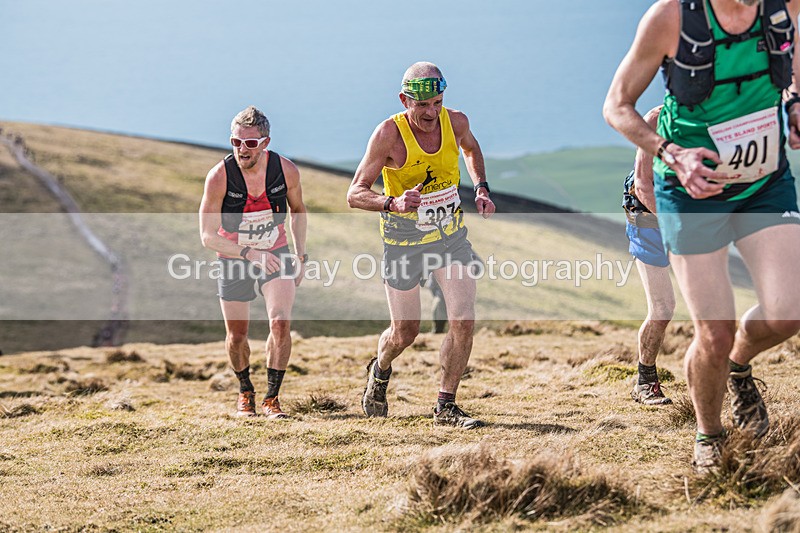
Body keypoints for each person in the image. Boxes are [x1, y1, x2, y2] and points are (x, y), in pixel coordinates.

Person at [604, 0, 800, 473]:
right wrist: (670, 153)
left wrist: (794, 105)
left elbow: (794, 69)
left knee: (789, 312)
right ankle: (709, 437)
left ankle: (737, 364)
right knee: (713, 330)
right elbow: (616, 106)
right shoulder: (671, 18)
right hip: (691, 189)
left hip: (764, 179)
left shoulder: (785, 7)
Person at [347, 61, 496, 429]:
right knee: (405, 332)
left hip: (450, 238)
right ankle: (380, 370)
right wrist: (391, 202)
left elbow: (471, 148)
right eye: (422, 105)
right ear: (404, 100)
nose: (431, 113)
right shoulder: (388, 135)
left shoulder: (455, 121)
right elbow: (354, 193)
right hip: (403, 244)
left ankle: (446, 405)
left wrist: (480, 188)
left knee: (463, 319)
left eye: (437, 103)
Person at [199, 105, 307, 419]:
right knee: (237, 336)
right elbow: (207, 236)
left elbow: (298, 211)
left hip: (276, 252)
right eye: (235, 143)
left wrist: (300, 255)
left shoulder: (286, 170)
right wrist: (248, 253)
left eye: (249, 143)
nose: (241, 150)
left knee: (280, 323)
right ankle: (245, 391)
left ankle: (272, 399)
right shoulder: (219, 176)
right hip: (234, 256)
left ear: (265, 142)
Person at [624, 105, 676, 406]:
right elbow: (642, 184)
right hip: (648, 217)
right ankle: (645, 382)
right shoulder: (657, 118)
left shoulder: (718, 111)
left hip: (687, 214)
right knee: (663, 308)